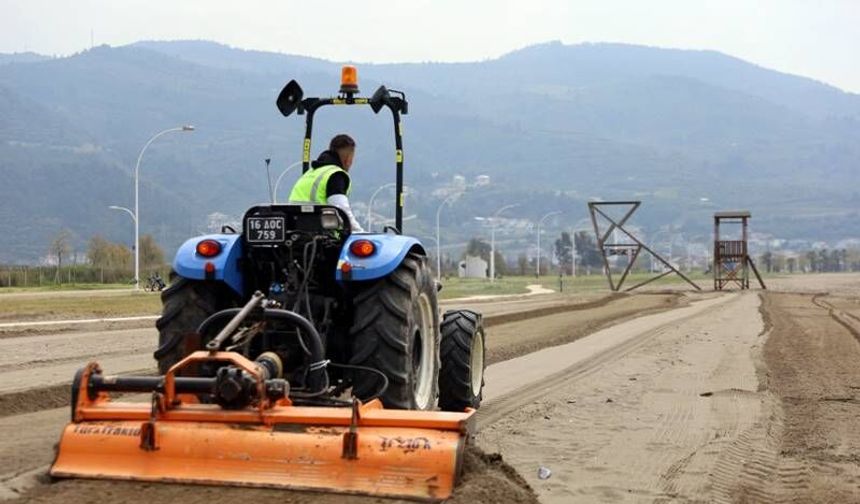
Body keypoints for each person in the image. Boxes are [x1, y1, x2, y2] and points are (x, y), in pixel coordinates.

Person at [289, 134, 365, 232]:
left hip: (296, 231)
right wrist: (360, 232)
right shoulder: (336, 175)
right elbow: (342, 210)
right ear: (348, 159)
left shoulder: (311, 173)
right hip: (320, 235)